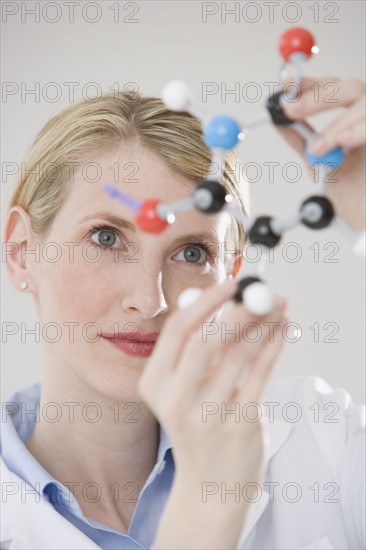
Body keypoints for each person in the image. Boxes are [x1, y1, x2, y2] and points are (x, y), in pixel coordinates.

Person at [0, 77, 365, 550]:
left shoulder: (322, 437)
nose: (150, 301)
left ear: (232, 277)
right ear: (22, 251)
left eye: (192, 253)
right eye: (106, 238)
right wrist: (208, 508)